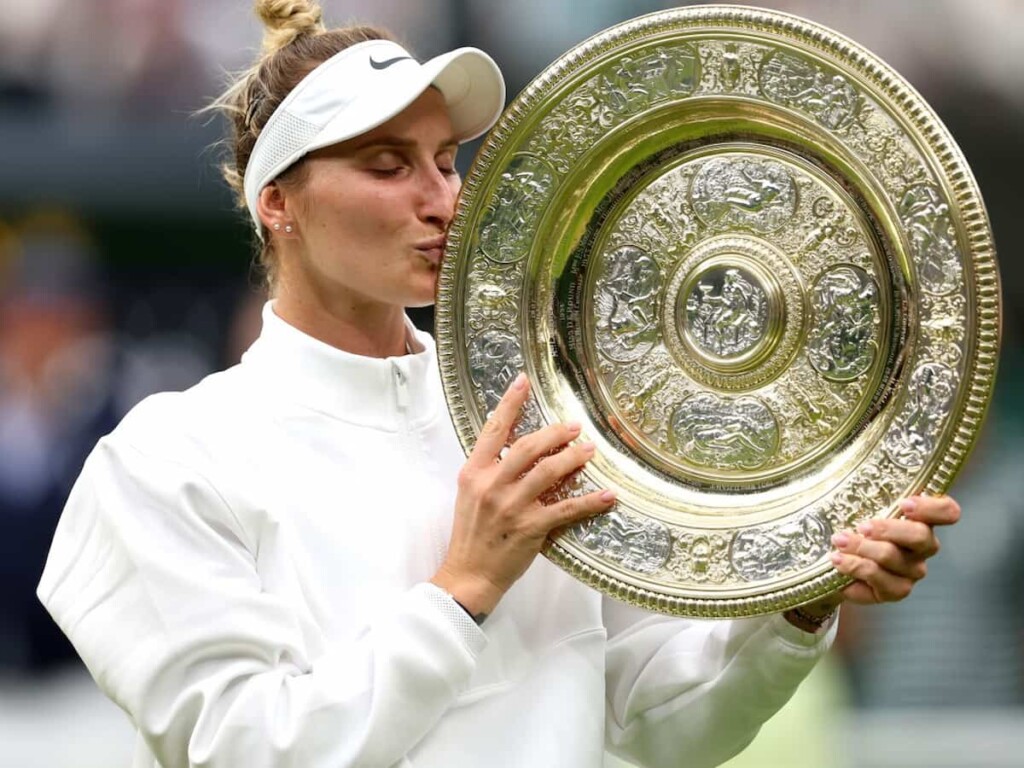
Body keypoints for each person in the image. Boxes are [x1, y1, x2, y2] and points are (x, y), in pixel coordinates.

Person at [37, 2, 960, 767]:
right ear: (274, 201)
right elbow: (242, 751)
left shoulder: (541, 416)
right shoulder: (166, 457)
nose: (442, 198)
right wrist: (464, 588)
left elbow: (658, 728)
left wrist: (800, 602)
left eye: (445, 161)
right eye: (387, 165)